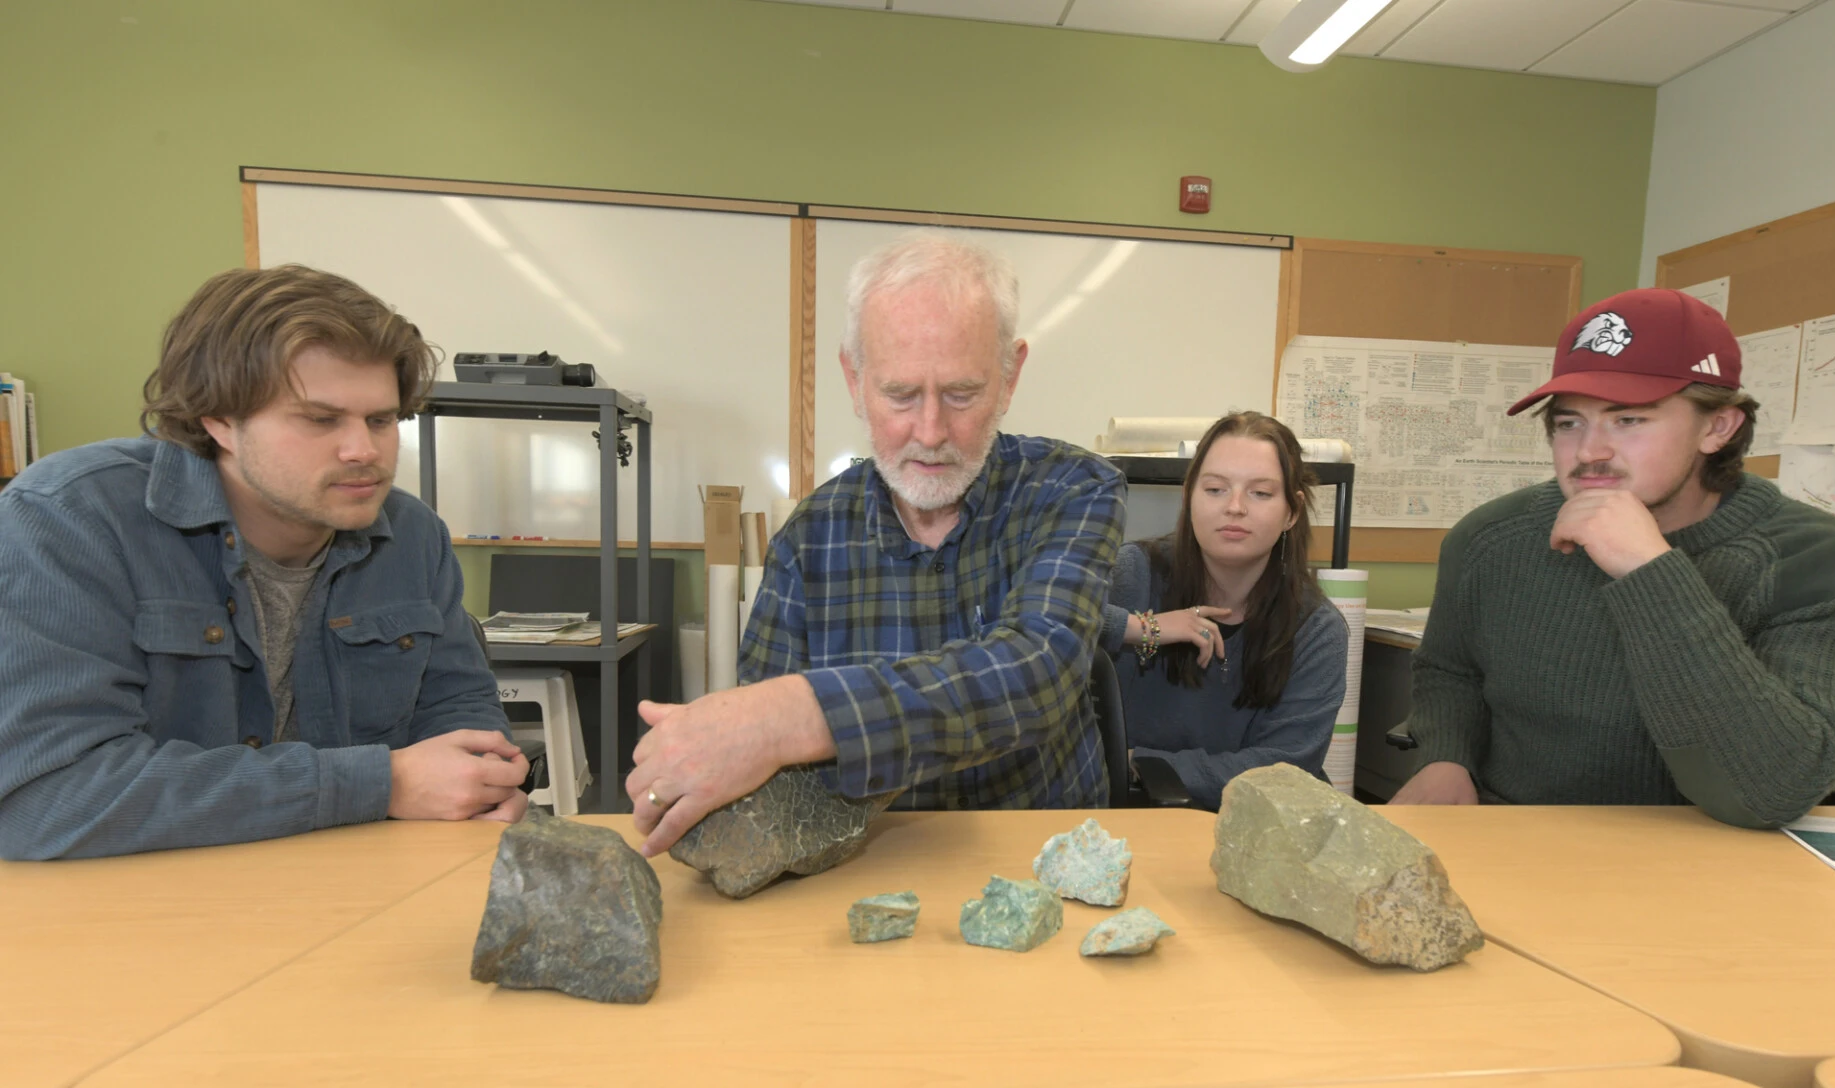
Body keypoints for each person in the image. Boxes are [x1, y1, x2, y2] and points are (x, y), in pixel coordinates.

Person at [0, 265, 529, 860]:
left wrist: (481, 784)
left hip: (351, 893)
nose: (364, 451)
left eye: (382, 420)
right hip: (132, 915)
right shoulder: (68, 518)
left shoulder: (412, 536)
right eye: (320, 419)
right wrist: (384, 783)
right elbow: (44, 798)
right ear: (219, 419)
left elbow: (460, 718)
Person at [627, 233, 1124, 852]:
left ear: (1010, 375)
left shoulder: (1074, 490)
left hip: (1044, 861)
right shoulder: (809, 541)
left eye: (963, 394)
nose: (931, 431)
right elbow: (756, 762)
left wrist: (798, 714)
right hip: (868, 870)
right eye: (900, 395)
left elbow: (1039, 670)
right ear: (853, 378)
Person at [1393, 287, 1835, 827]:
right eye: (1569, 423)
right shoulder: (1492, 536)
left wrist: (1650, 572)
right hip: (1516, 839)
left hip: (1717, 865)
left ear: (1717, 426)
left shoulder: (1827, 562)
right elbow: (1452, 669)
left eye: (1628, 420)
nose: (1589, 451)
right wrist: (1447, 755)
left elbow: (1768, 793)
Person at [1098, 412, 1347, 810]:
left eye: (1260, 494)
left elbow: (1287, 765)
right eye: (1215, 489)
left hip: (1259, 827)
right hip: (1130, 823)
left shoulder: (1318, 628)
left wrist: (1140, 763)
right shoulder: (1132, 574)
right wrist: (1137, 628)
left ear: (1292, 511)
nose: (1234, 507)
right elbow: (1043, 623)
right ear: (1188, 497)